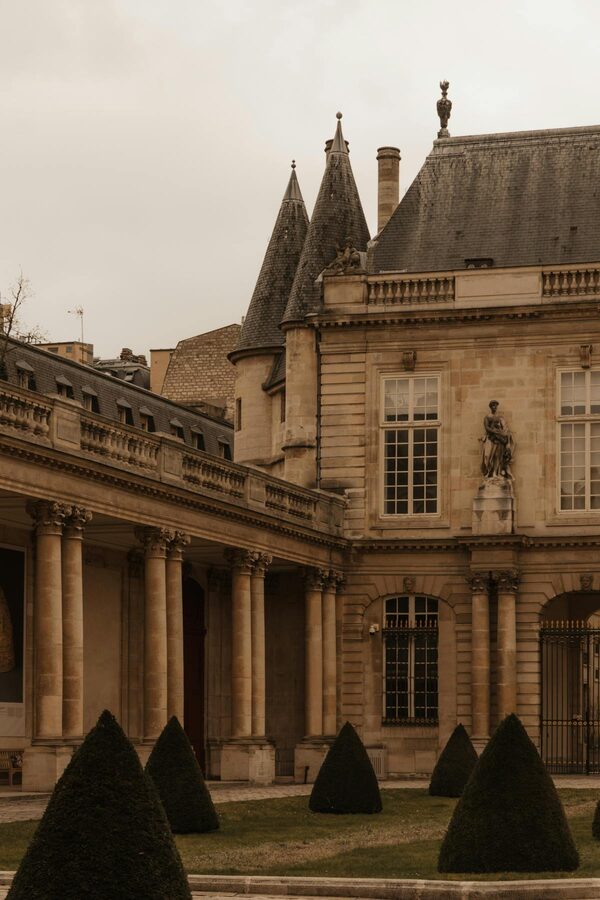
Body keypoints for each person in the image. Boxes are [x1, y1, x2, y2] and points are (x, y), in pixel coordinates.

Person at [480, 400, 515, 480]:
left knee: (497, 456)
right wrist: (495, 431)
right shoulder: (487, 417)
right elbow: (487, 428)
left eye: (495, 405)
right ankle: (490, 472)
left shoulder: (500, 417)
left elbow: (504, 428)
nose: (494, 407)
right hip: (490, 439)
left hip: (499, 440)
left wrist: (503, 434)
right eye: (493, 405)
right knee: (488, 456)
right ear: (490, 407)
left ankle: (496, 472)